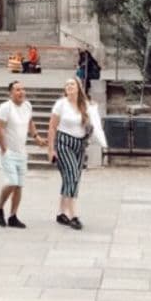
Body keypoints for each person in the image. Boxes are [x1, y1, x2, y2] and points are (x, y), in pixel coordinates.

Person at [47, 77, 107, 230]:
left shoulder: (85, 105)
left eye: (72, 84)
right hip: (64, 142)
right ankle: (73, 215)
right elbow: (52, 127)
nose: (69, 86)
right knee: (72, 175)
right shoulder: (61, 104)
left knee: (73, 178)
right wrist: (51, 149)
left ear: (79, 87)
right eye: (67, 84)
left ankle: (61, 213)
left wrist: (93, 109)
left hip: (79, 144)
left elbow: (93, 123)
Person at [0, 80, 45, 229]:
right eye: (17, 90)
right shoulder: (5, 107)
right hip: (7, 151)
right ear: (11, 93)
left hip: (21, 151)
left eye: (23, 89)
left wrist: (36, 137)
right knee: (11, 182)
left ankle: (13, 216)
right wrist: (3, 148)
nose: (21, 92)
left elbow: (30, 122)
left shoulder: (27, 106)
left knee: (19, 185)